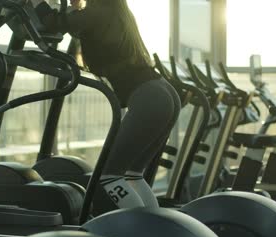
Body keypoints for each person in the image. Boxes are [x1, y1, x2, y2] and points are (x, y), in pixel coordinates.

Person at [30, 0, 181, 208]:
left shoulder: (97, 13)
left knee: (110, 176)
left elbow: (50, 23)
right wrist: (75, 9)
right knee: (133, 175)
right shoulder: (115, 10)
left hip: (150, 99)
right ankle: (153, 229)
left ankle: (139, 230)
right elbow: (83, 27)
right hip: (163, 92)